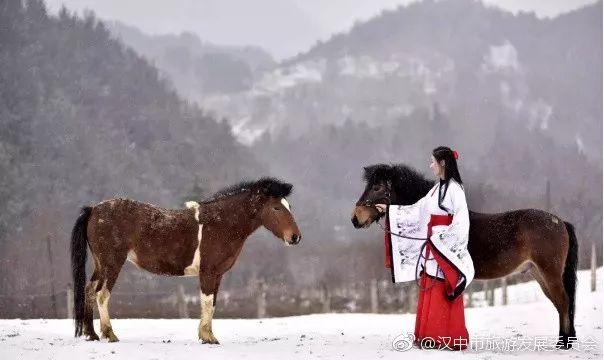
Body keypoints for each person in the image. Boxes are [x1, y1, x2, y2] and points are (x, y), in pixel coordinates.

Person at [376, 146, 473, 350]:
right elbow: (418, 209)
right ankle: (428, 335)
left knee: (441, 287)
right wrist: (390, 210)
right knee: (430, 285)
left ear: (443, 164)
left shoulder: (455, 190)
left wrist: (442, 240)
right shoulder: (436, 189)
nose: (430, 166)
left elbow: (462, 222)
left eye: (433, 162)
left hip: (443, 246)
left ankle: (446, 337)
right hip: (433, 244)